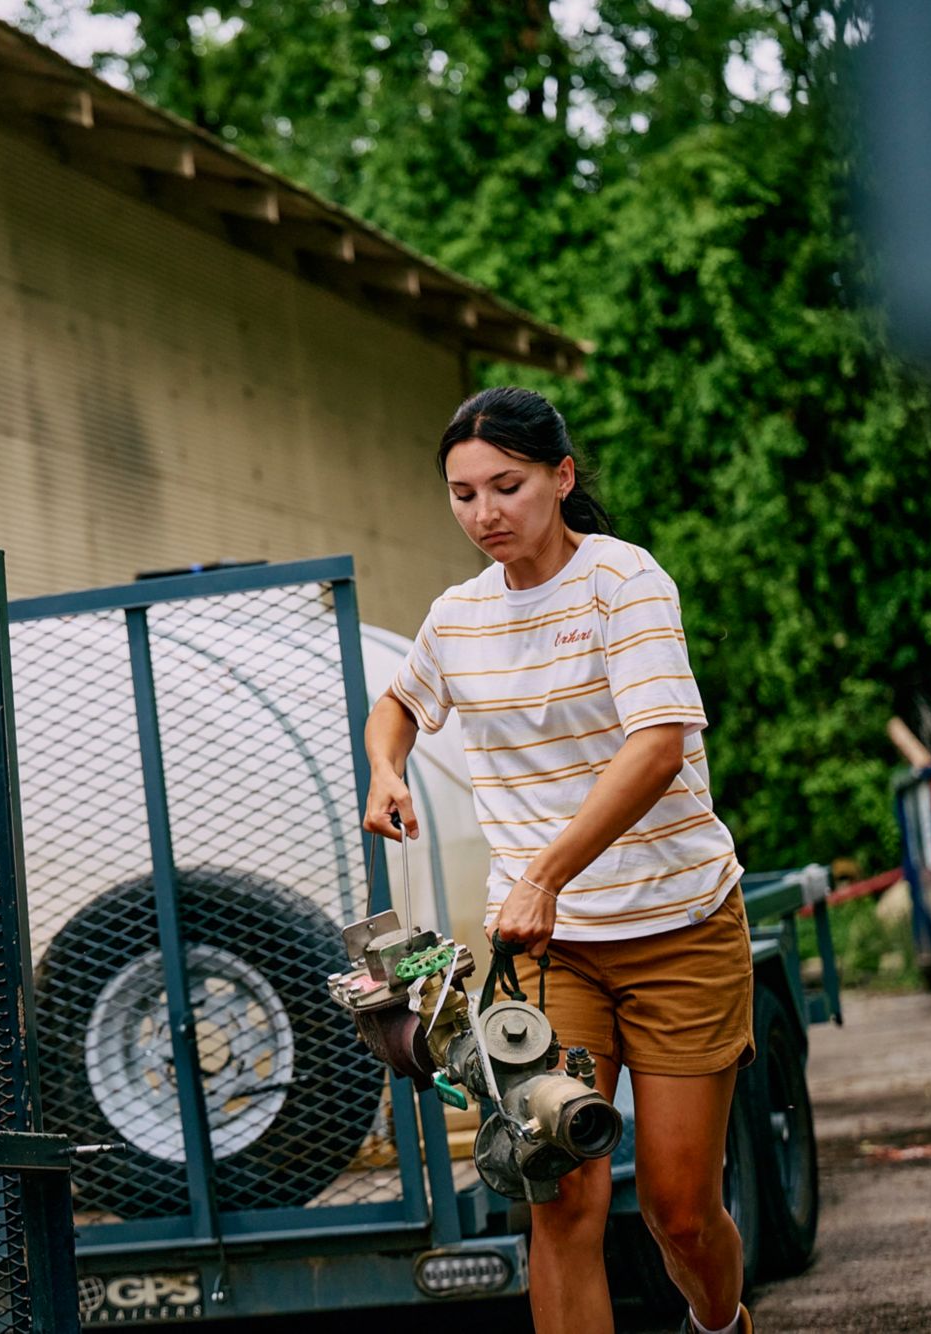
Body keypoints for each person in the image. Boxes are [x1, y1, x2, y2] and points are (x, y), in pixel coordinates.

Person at [363, 386, 755, 1334]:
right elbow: (401, 702)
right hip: (551, 954)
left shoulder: (625, 583)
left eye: (507, 486)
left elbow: (658, 746)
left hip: (680, 932)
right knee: (561, 1198)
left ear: (561, 477)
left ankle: (721, 1323)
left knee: (677, 1210)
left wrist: (544, 873)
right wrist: (385, 768)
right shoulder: (458, 616)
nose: (485, 514)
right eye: (463, 495)